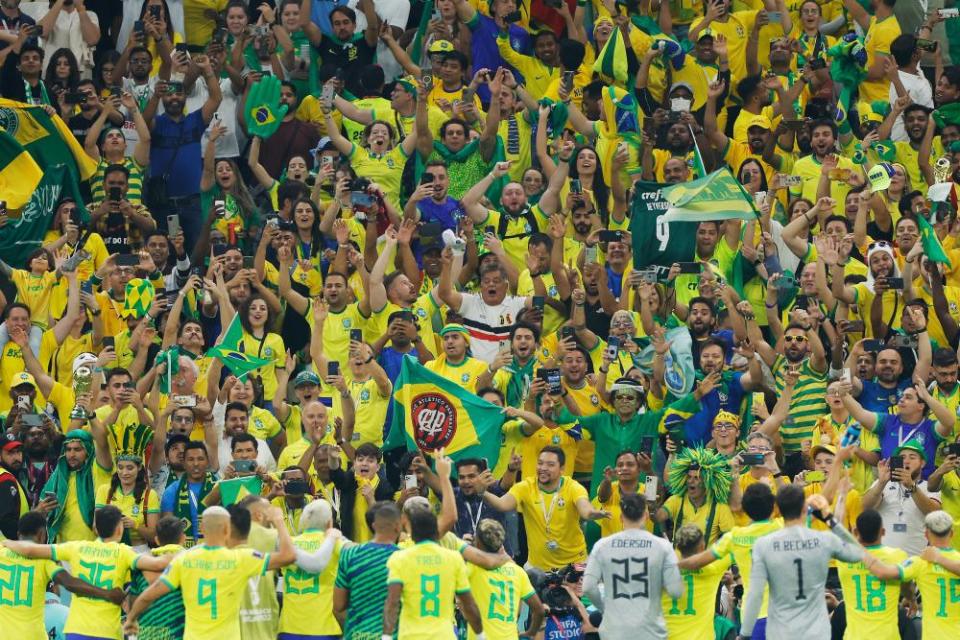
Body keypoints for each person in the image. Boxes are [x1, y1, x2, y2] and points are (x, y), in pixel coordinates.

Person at [123, 505, 297, 638]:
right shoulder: (241, 558)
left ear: (202, 530)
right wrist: (279, 522)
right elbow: (289, 555)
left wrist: (131, 619)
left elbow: (147, 596)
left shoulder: (184, 560)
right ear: (227, 529)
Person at [3, 505, 171, 640]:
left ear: (95, 528)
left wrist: (7, 543)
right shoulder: (124, 553)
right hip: (106, 631)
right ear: (120, 530)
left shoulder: (77, 548)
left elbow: (32, 551)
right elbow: (68, 582)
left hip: (76, 629)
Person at [738, 487, 866, 640]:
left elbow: (756, 593)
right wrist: (829, 519)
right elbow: (858, 553)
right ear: (804, 508)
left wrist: (745, 633)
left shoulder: (764, 545)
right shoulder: (822, 540)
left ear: (777, 508)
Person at [0, 510, 126, 640]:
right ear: (42, 535)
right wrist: (106, 593)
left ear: (18, 534)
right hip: (33, 635)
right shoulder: (44, 560)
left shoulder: (1, 552)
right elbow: (70, 583)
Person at [481, 445, 609, 571]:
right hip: (537, 567)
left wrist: (593, 514)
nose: (543, 468)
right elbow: (502, 504)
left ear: (562, 469)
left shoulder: (573, 487)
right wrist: (481, 491)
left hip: (576, 563)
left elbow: (585, 510)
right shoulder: (526, 487)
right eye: (540, 463)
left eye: (550, 465)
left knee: (585, 591)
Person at [583, 493, 683, 639]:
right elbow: (676, 591)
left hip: (614, 631)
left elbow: (588, 587)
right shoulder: (663, 546)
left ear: (621, 517)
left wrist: (604, 609)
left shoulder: (602, 545)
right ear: (646, 516)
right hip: (650, 631)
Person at [383, 505, 486, 639]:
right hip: (444, 635)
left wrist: (386, 637)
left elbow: (392, 602)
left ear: (412, 532)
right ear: (436, 532)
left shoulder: (399, 557)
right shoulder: (453, 558)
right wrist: (480, 635)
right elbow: (468, 604)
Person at [865, 510, 960, 635]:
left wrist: (861, 550)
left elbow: (883, 572)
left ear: (926, 534)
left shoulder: (919, 562)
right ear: (952, 533)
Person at [835, 509, 909, 640]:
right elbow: (906, 587)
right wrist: (911, 599)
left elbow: (836, 529)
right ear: (883, 532)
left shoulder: (844, 558)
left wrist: (843, 493)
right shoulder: (898, 556)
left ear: (855, 531)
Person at [333, 501, 401, 639]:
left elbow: (338, 606)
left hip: (357, 634)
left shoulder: (350, 555)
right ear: (398, 526)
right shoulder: (403, 557)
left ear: (373, 526)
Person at [467, 518, 544, 639]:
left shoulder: (472, 568)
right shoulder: (518, 572)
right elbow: (539, 611)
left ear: (478, 543)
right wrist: (531, 632)